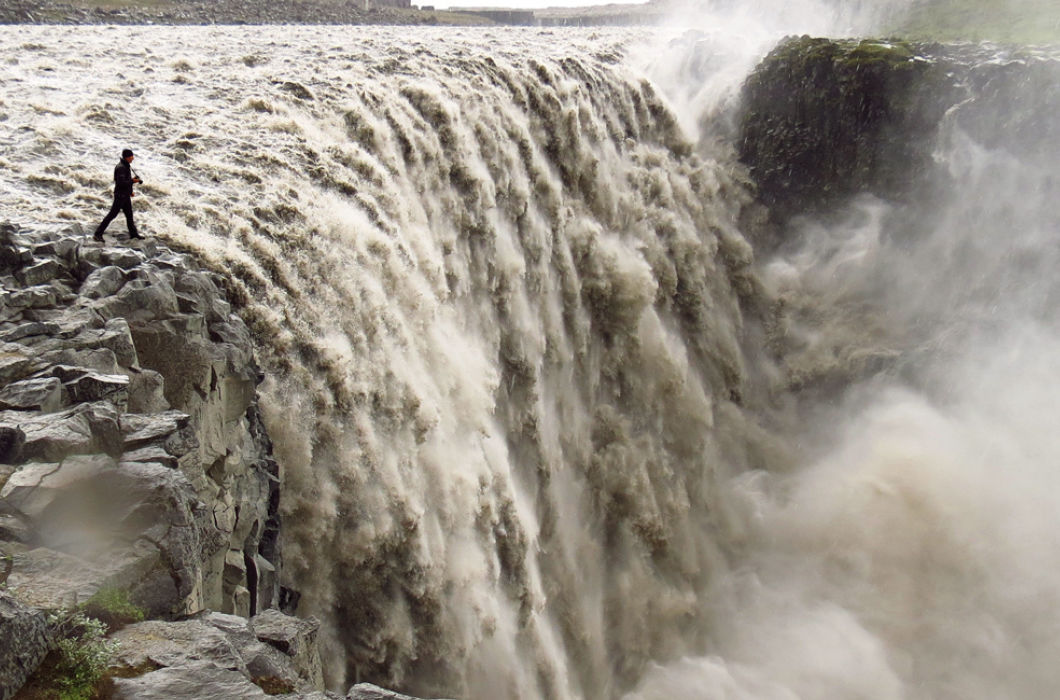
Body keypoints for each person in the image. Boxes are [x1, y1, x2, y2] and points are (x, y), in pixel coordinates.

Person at [93, 148, 143, 242]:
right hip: (120, 196)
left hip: (125, 195)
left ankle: (134, 234)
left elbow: (126, 181)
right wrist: (133, 181)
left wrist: (130, 191)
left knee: (129, 216)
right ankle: (98, 234)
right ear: (127, 157)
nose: (133, 158)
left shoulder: (126, 165)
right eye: (132, 156)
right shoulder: (121, 167)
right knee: (112, 215)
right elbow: (121, 183)